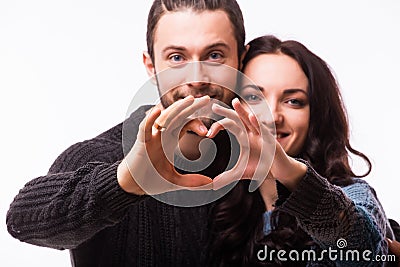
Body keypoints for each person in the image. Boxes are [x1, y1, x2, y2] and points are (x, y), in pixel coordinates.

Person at [6, 0, 247, 266]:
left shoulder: (259, 159)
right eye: (177, 58)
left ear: (241, 59)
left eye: (214, 56)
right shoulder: (100, 156)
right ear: (151, 66)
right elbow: (22, 219)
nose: (197, 77)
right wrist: (124, 182)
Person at [205, 35, 398, 266]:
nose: (272, 116)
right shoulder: (220, 205)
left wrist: (291, 175)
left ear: (315, 116)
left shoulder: (354, 195)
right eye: (254, 97)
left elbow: (367, 253)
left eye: (293, 101)